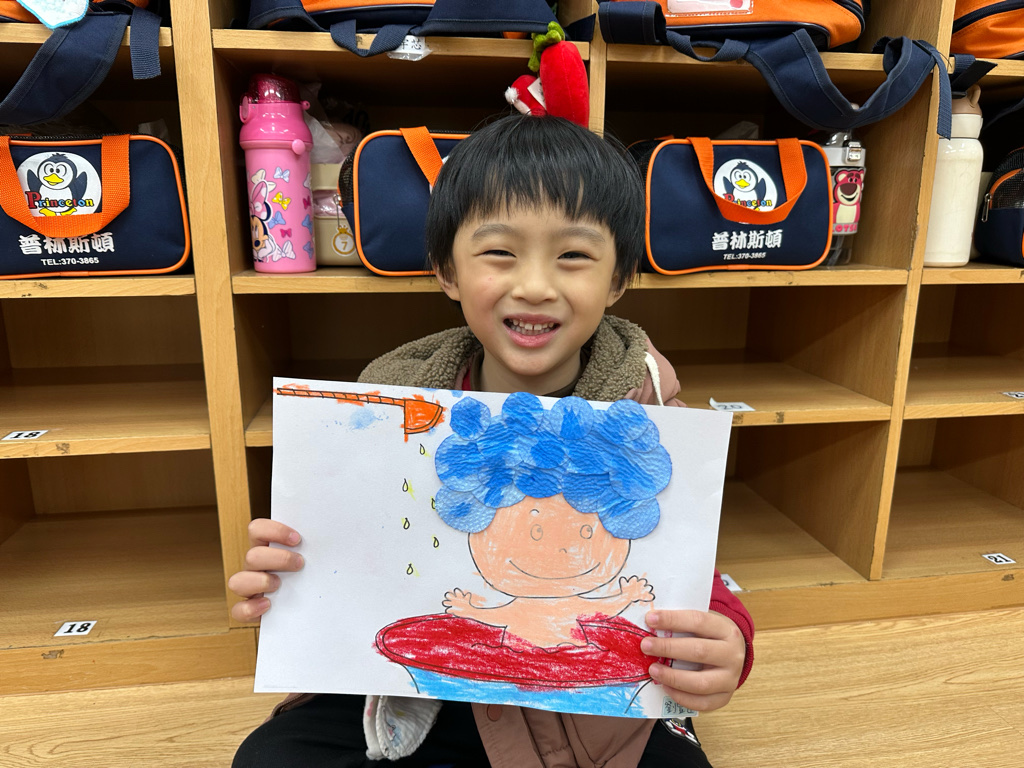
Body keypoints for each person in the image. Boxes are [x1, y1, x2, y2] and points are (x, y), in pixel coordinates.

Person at [228, 114, 755, 768]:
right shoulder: (390, 407)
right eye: (500, 252)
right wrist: (289, 576)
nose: (534, 286)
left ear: (617, 280)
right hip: (422, 693)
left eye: (573, 255)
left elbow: (689, 568)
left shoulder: (647, 410)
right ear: (447, 271)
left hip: (583, 704)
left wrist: (727, 638)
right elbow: (352, 566)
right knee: (270, 759)